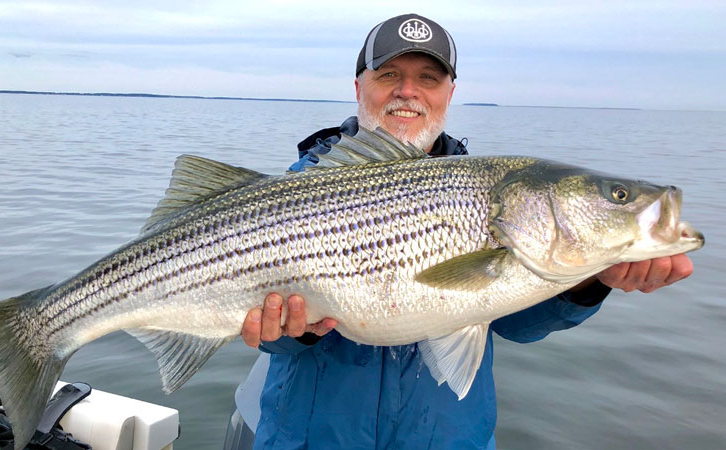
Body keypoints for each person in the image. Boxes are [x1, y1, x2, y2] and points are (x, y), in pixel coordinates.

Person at [236, 13, 694, 450]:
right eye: (389, 74)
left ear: (449, 93)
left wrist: (591, 282)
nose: (408, 92)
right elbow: (266, 334)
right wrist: (294, 331)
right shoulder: (294, 195)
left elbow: (518, 324)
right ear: (360, 87)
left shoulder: (487, 192)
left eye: (428, 79)